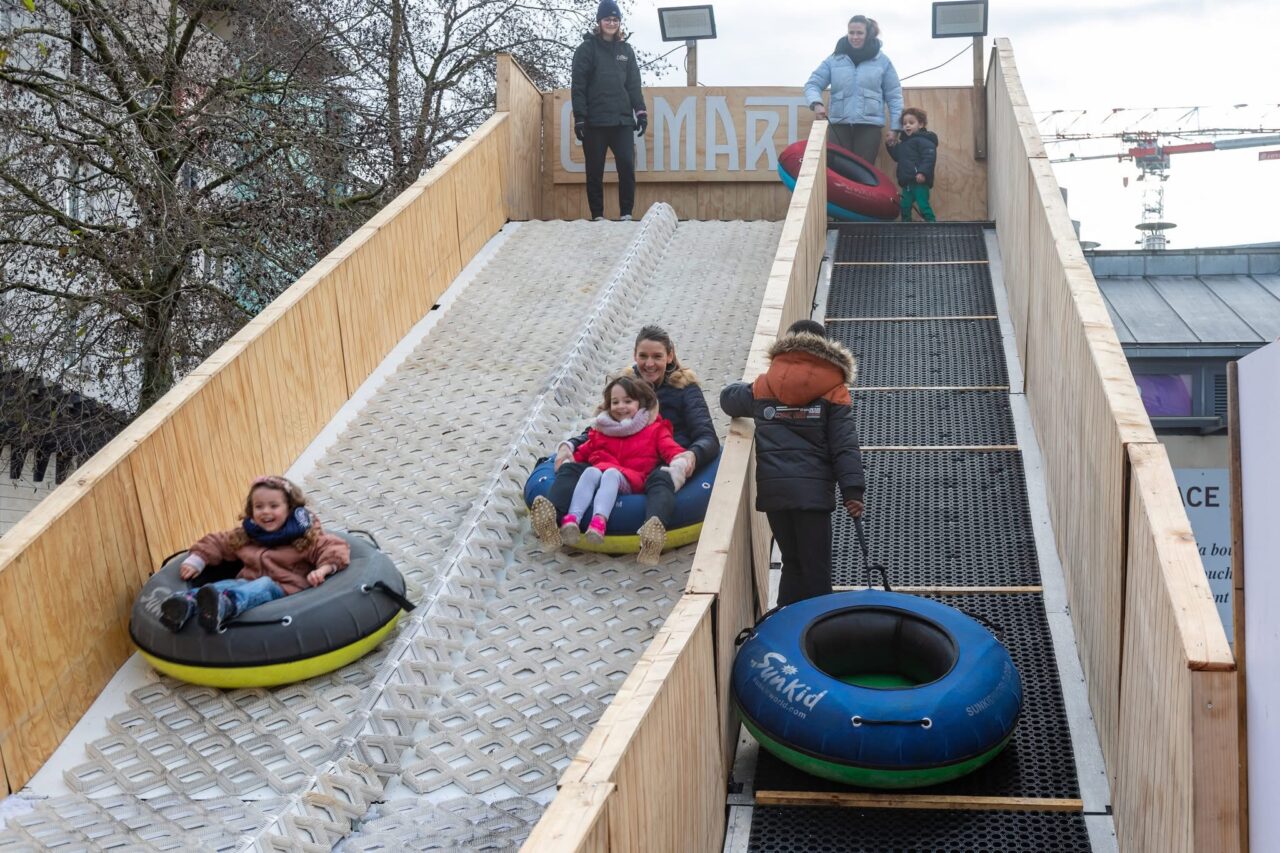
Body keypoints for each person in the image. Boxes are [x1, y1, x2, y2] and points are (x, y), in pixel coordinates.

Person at [531, 325, 719, 565]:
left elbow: (707, 436)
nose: (649, 363)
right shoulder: (625, 386)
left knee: (661, 480)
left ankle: (653, 530)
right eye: (643, 356)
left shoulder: (684, 389)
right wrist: (570, 446)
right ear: (634, 355)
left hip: (654, 460)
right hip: (612, 458)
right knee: (572, 469)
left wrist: (689, 456)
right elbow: (601, 427)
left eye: (657, 356)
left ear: (670, 356)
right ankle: (552, 518)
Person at [720, 320, 866, 606]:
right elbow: (844, 445)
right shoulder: (833, 388)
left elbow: (728, 401)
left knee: (793, 563)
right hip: (813, 497)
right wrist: (853, 491)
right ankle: (818, 637)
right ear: (824, 348)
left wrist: (743, 386)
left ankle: (787, 629)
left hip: (775, 494)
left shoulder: (765, 384)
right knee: (817, 572)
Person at [158, 475, 350, 633]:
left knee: (263, 584)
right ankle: (186, 603)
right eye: (259, 507)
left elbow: (333, 548)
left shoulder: (305, 537)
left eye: (274, 506)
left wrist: (324, 569)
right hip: (246, 584)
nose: (265, 512)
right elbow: (218, 542)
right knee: (227, 584)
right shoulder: (248, 535)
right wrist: (196, 560)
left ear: (290, 508)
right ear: (252, 510)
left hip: (284, 591)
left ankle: (227, 604)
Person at [553, 375, 686, 553]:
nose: (621, 407)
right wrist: (568, 459)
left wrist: (681, 460)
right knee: (590, 472)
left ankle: (599, 522)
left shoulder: (653, 429)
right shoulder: (602, 431)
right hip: (601, 472)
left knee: (611, 474)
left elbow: (670, 448)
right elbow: (583, 452)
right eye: (615, 402)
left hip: (631, 479)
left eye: (628, 401)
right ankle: (571, 520)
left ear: (639, 403)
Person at [571, 1, 648, 221]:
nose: (611, 23)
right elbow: (578, 86)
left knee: (626, 164)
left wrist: (641, 113)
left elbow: (633, 85)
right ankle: (598, 215)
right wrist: (580, 118)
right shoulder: (586, 49)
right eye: (607, 19)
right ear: (599, 22)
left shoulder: (626, 50)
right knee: (594, 170)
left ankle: (626, 213)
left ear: (619, 23)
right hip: (595, 122)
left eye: (615, 19)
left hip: (622, 121)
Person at [803, 15, 903, 165]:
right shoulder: (834, 59)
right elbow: (812, 84)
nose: (855, 37)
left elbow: (894, 96)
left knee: (863, 171)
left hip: (869, 126)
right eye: (851, 33)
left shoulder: (882, 61)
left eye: (859, 33)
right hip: (839, 125)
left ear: (867, 34)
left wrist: (896, 128)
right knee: (838, 169)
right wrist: (816, 103)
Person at [887, 107, 938, 222]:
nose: (907, 126)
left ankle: (933, 224)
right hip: (907, 182)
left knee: (923, 205)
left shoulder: (924, 140)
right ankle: (906, 226)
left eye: (911, 122)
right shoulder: (904, 143)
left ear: (920, 124)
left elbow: (929, 157)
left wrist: (922, 172)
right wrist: (890, 145)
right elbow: (897, 156)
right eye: (904, 123)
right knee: (905, 206)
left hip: (920, 180)